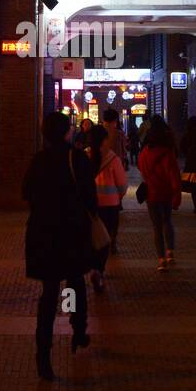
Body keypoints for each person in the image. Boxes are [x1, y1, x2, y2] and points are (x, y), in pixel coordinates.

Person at [23, 111, 98, 381]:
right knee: (75, 282)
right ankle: (78, 331)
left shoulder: (39, 160)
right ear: (67, 131)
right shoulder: (76, 158)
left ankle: (43, 356)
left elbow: (25, 192)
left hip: (44, 234)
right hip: (72, 232)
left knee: (48, 295)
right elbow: (91, 196)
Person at [137, 114, 182, 270]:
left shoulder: (144, 154)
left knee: (156, 226)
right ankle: (170, 252)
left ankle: (161, 259)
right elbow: (174, 176)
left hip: (151, 193)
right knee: (167, 221)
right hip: (166, 192)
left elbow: (141, 169)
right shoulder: (168, 154)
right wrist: (177, 195)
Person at [89, 123, 127, 292]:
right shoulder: (113, 159)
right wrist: (118, 197)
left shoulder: (84, 156)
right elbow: (122, 184)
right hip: (110, 205)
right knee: (105, 240)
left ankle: (93, 266)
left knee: (92, 237)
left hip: (90, 205)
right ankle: (99, 269)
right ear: (105, 140)